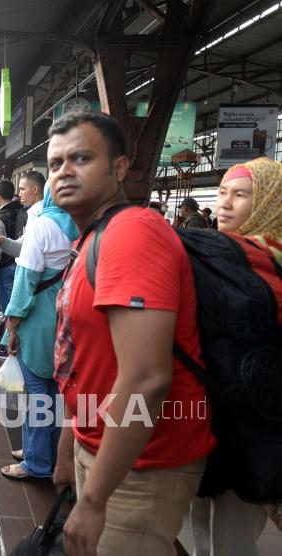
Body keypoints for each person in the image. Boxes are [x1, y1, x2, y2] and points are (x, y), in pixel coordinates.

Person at [48, 110, 214, 556]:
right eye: (55, 163)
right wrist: (70, 447)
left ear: (119, 169)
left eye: (81, 158)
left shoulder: (132, 234)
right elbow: (83, 361)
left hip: (139, 466)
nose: (64, 170)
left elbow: (146, 379)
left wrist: (95, 498)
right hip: (105, 452)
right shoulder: (91, 240)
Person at [189, 157, 282, 556]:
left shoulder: (269, 264)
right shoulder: (209, 255)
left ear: (271, 203)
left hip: (256, 428)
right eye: (222, 193)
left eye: (241, 195)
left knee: (235, 536)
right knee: (194, 520)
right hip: (198, 414)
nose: (225, 204)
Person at [0, 181, 77, 481]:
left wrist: (13, 326)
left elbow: (25, 282)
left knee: (36, 397)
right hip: (67, 320)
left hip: (40, 323)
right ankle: (47, 452)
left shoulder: (41, 225)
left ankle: (36, 463)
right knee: (57, 394)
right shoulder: (82, 226)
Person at [0, 179, 27, 313]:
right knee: (19, 307)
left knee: (8, 310)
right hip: (23, 265)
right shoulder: (24, 212)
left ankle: (10, 333)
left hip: (6, 268)